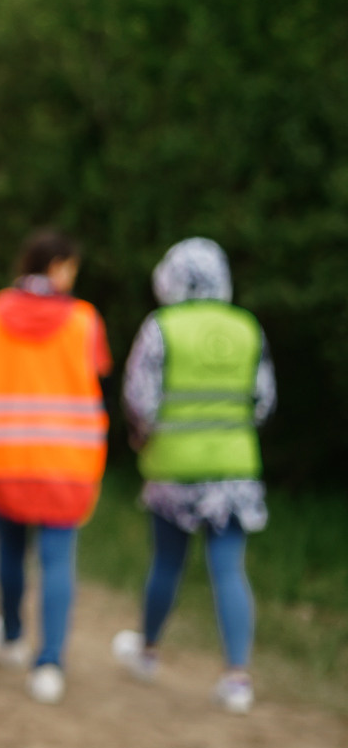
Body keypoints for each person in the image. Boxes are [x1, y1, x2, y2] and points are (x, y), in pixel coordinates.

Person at [0, 229, 110, 705]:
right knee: (57, 560)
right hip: (66, 460)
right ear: (56, 267)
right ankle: (49, 663)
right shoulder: (84, 320)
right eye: (71, 267)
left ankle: (12, 636)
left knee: (10, 552)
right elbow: (97, 370)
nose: (72, 276)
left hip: (3, 456)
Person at [110, 238, 273, 714]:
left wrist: (144, 437)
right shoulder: (247, 328)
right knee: (229, 569)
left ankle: (148, 651)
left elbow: (139, 399)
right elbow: (263, 401)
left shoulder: (162, 328)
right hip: (234, 471)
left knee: (167, 563)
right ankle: (237, 678)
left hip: (174, 469)